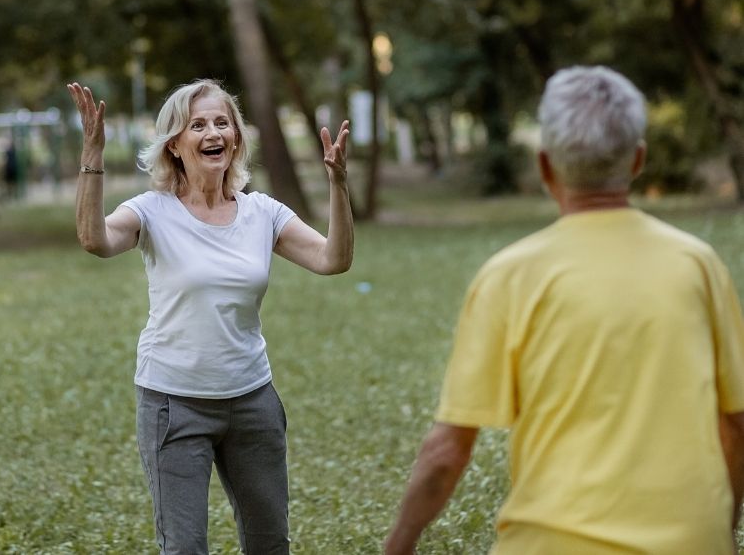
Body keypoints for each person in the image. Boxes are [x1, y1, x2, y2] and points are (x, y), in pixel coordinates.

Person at [385, 65, 744, 555]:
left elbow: (449, 451)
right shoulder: (698, 265)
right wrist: (719, 529)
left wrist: (397, 545)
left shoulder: (508, 276)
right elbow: (736, 425)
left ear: (546, 166)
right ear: (638, 160)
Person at [66, 78, 354, 555]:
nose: (212, 132)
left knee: (269, 544)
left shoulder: (263, 213)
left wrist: (338, 185)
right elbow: (95, 239)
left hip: (252, 402)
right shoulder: (152, 212)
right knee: (185, 548)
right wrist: (91, 155)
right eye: (196, 125)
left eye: (222, 122)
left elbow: (333, 259)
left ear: (236, 137)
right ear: (175, 145)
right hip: (173, 404)